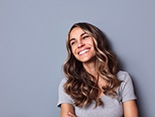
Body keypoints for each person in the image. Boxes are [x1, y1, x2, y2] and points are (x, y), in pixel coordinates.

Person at [57, 22, 138, 117]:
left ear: (97, 40)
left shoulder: (123, 79)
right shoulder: (68, 86)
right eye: (73, 42)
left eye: (85, 37)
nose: (79, 44)